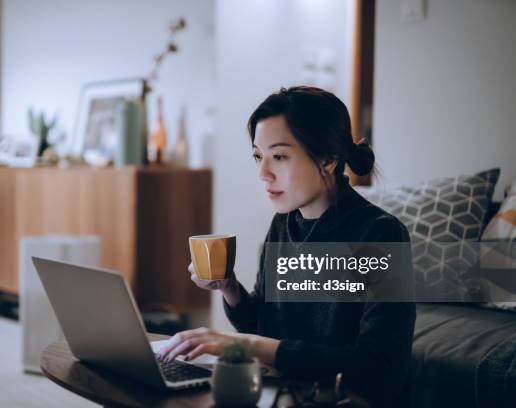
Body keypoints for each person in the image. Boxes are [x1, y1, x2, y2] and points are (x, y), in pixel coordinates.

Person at [157, 86, 415, 407]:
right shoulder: (285, 224)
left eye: (278, 156)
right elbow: (264, 327)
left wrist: (245, 344)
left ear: (328, 159)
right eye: (257, 156)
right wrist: (230, 288)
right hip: (283, 394)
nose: (263, 173)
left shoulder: (381, 235)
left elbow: (381, 371)